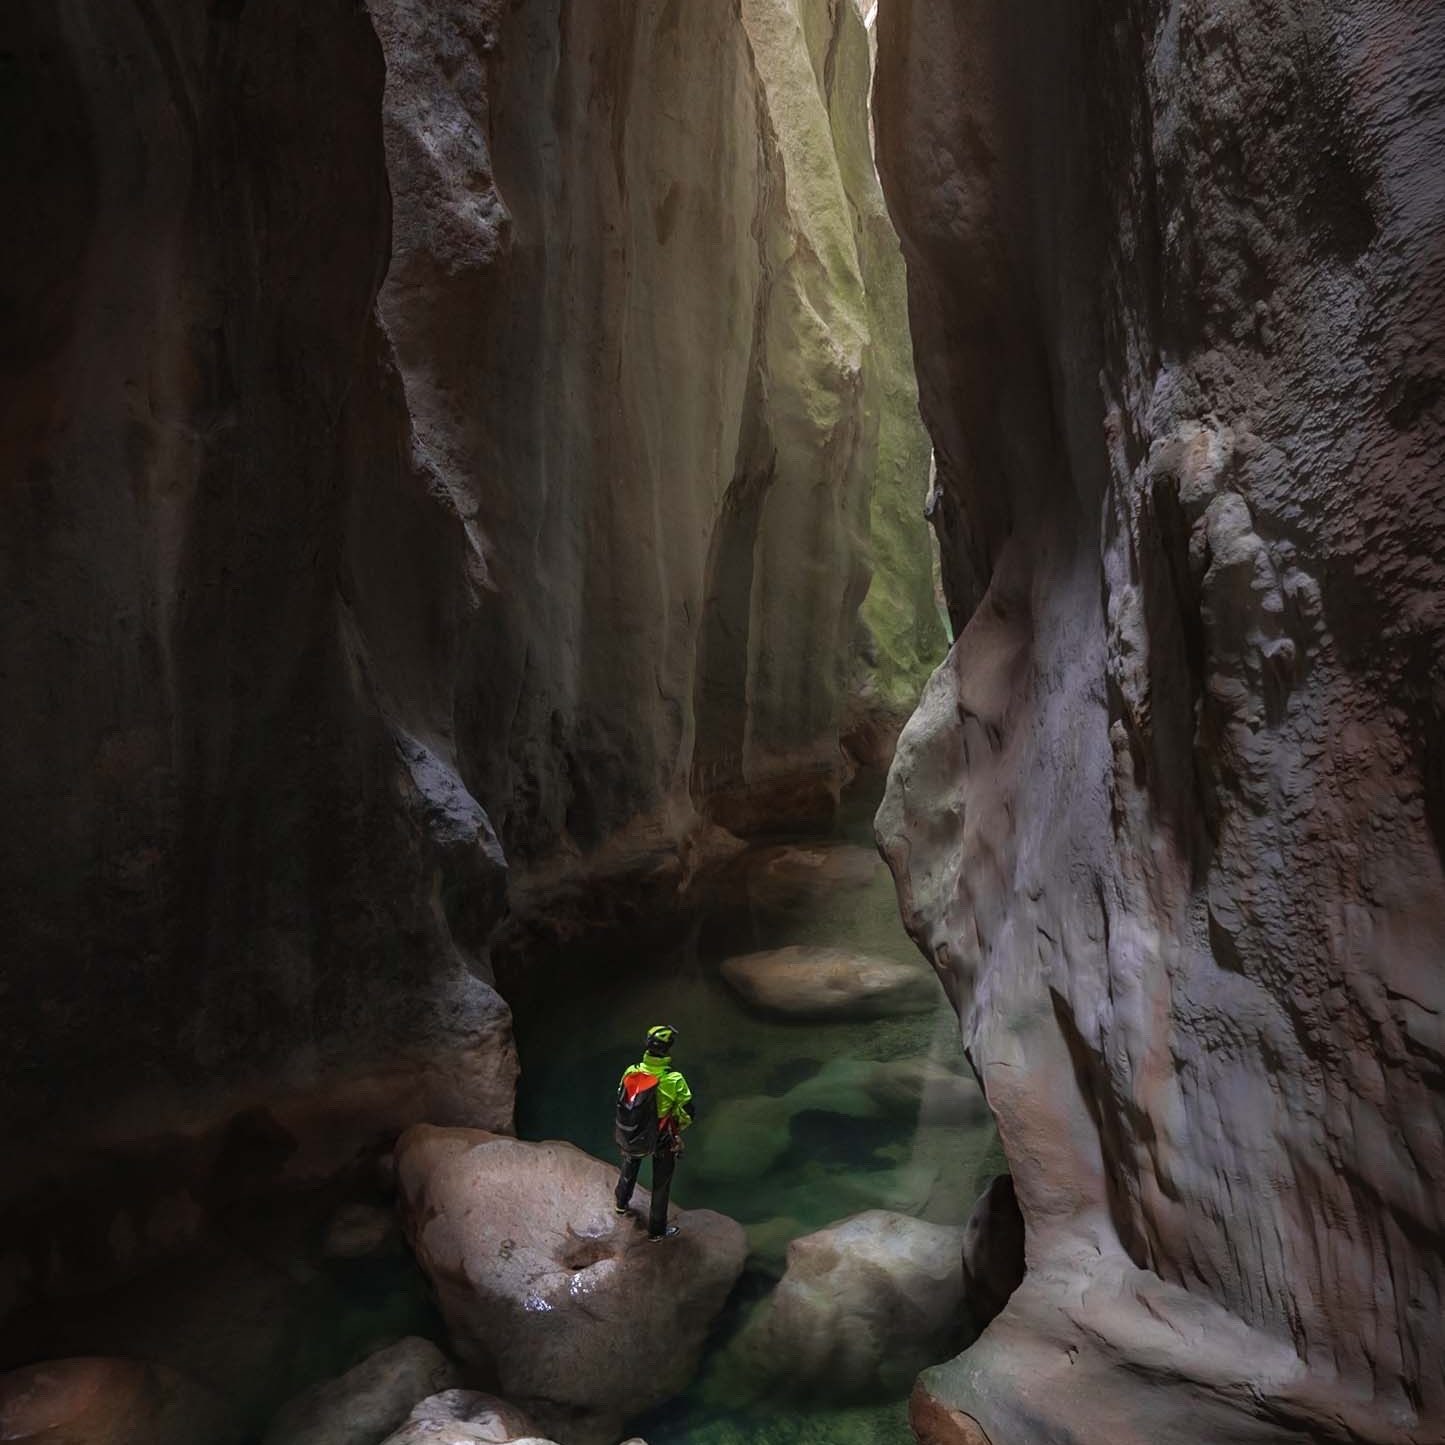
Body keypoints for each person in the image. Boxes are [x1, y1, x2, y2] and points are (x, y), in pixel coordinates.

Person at [613, 1024, 695, 1241]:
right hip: (661, 1135)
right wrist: (679, 1129)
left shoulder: (632, 1071)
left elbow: (621, 1097)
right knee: (661, 1182)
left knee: (631, 1163)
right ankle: (656, 1231)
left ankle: (621, 1204)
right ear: (668, 1048)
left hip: (634, 1132)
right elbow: (685, 1111)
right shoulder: (674, 1079)